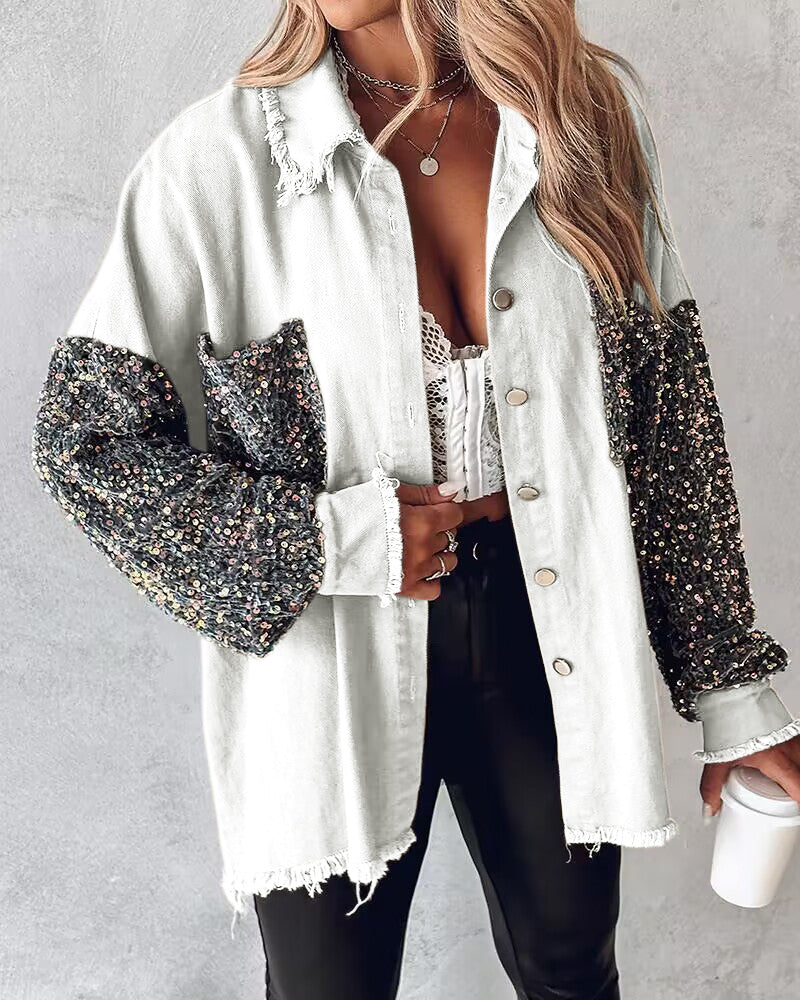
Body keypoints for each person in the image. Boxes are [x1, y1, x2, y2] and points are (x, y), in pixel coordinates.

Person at [30, 2, 800, 998]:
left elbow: (666, 427)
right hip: (332, 648)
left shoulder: (578, 119)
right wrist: (328, 540)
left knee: (573, 968)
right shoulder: (219, 162)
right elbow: (85, 443)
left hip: (544, 626)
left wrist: (735, 696)